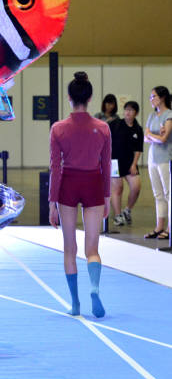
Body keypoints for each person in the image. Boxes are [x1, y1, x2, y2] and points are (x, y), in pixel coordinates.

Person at [49, 71, 110, 318]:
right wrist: (106, 197)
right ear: (91, 97)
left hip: (68, 185)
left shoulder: (58, 128)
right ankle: (94, 288)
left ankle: (75, 304)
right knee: (92, 249)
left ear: (69, 98)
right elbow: (106, 164)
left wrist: (52, 203)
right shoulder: (103, 127)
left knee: (69, 248)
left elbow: (55, 167)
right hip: (94, 182)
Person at [143, 85, 172, 240]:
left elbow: (164, 139)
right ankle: (159, 227)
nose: (151, 99)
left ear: (162, 98)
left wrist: (151, 136)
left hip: (165, 159)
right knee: (158, 194)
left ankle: (169, 228)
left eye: (153, 96)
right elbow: (145, 137)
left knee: (169, 194)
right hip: (152, 158)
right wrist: (154, 136)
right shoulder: (152, 116)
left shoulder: (169, 115)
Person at [108, 101, 143, 226]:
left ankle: (127, 210)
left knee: (136, 187)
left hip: (129, 162)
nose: (128, 112)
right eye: (126, 109)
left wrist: (134, 164)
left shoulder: (138, 129)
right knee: (118, 188)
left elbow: (138, 149)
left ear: (136, 113)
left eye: (131, 110)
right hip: (114, 161)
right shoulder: (115, 124)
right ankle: (118, 216)